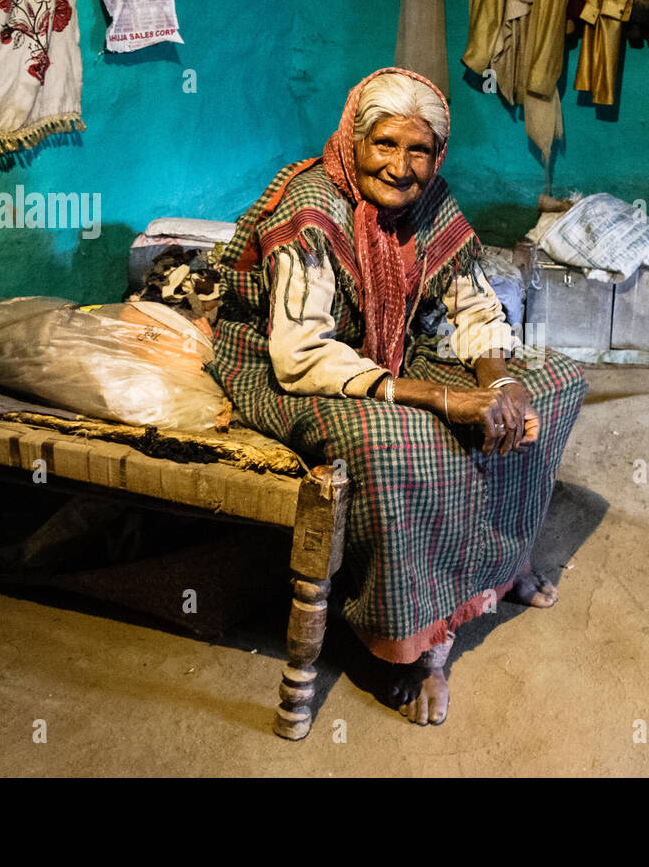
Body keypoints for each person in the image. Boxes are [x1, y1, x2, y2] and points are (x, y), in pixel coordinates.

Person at [209, 68, 588, 725]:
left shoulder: (429, 199)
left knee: (551, 384)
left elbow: (472, 301)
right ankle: (400, 649)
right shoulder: (313, 208)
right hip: (288, 360)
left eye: (419, 150)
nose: (402, 166)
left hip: (383, 345)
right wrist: (446, 402)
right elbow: (301, 356)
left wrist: (495, 382)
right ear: (353, 140)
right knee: (396, 443)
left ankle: (498, 561)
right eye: (385, 144)